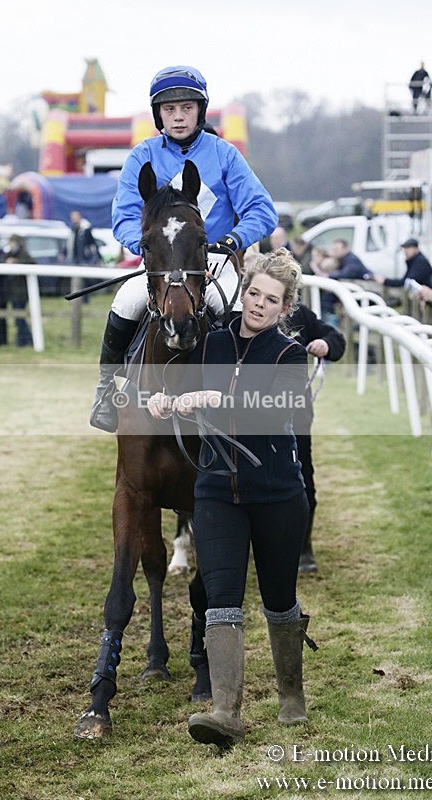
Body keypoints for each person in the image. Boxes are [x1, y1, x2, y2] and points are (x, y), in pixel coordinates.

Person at [148, 248, 316, 748]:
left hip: (279, 496)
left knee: (279, 600)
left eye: (271, 300)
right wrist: (164, 399)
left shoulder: (289, 355)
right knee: (221, 598)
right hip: (217, 492)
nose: (258, 305)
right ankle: (225, 711)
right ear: (243, 291)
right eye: (253, 294)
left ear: (285, 309)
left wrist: (221, 400)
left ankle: (291, 693)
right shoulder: (213, 344)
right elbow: (182, 391)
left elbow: (278, 410)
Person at [90, 65, 278, 432]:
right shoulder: (141, 156)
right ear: (158, 114)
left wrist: (232, 241)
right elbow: (124, 217)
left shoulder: (224, 154)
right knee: (128, 299)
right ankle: (104, 392)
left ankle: (247, 400)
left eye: (187, 108)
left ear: (200, 111)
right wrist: (147, 246)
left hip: (215, 260)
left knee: (237, 309)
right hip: (162, 262)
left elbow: (262, 210)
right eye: (169, 109)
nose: (178, 116)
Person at [286, 303, 346, 573]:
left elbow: (336, 338)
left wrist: (324, 343)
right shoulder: (241, 313)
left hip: (294, 412)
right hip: (246, 408)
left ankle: (302, 547)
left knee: (301, 476)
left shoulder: (299, 314)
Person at [4, 234, 34, 347]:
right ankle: (23, 340)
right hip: (12, 291)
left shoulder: (23, 254)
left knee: (20, 317)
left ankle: (26, 340)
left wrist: (16, 262)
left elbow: (32, 263)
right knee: (18, 318)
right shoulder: (9, 253)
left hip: (21, 292)